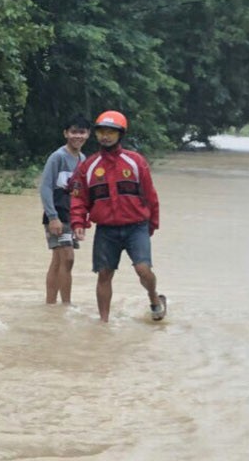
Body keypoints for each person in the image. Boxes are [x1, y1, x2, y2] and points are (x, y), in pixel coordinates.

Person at [68, 109, 166, 323]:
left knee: (143, 269)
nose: (106, 136)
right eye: (102, 131)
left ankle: (153, 296)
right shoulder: (88, 166)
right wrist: (78, 222)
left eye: (111, 132)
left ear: (120, 134)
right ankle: (103, 322)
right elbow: (78, 198)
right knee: (104, 274)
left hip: (136, 226)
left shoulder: (136, 162)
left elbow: (151, 196)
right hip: (106, 230)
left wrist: (152, 224)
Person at [40, 117, 91, 305]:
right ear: (66, 133)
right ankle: (67, 306)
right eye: (74, 132)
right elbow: (45, 187)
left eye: (82, 132)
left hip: (73, 216)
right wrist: (52, 217)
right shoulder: (58, 157)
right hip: (57, 216)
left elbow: (82, 192)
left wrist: (83, 220)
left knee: (58, 260)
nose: (78, 136)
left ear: (88, 134)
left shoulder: (83, 159)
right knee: (68, 258)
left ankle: (51, 305)